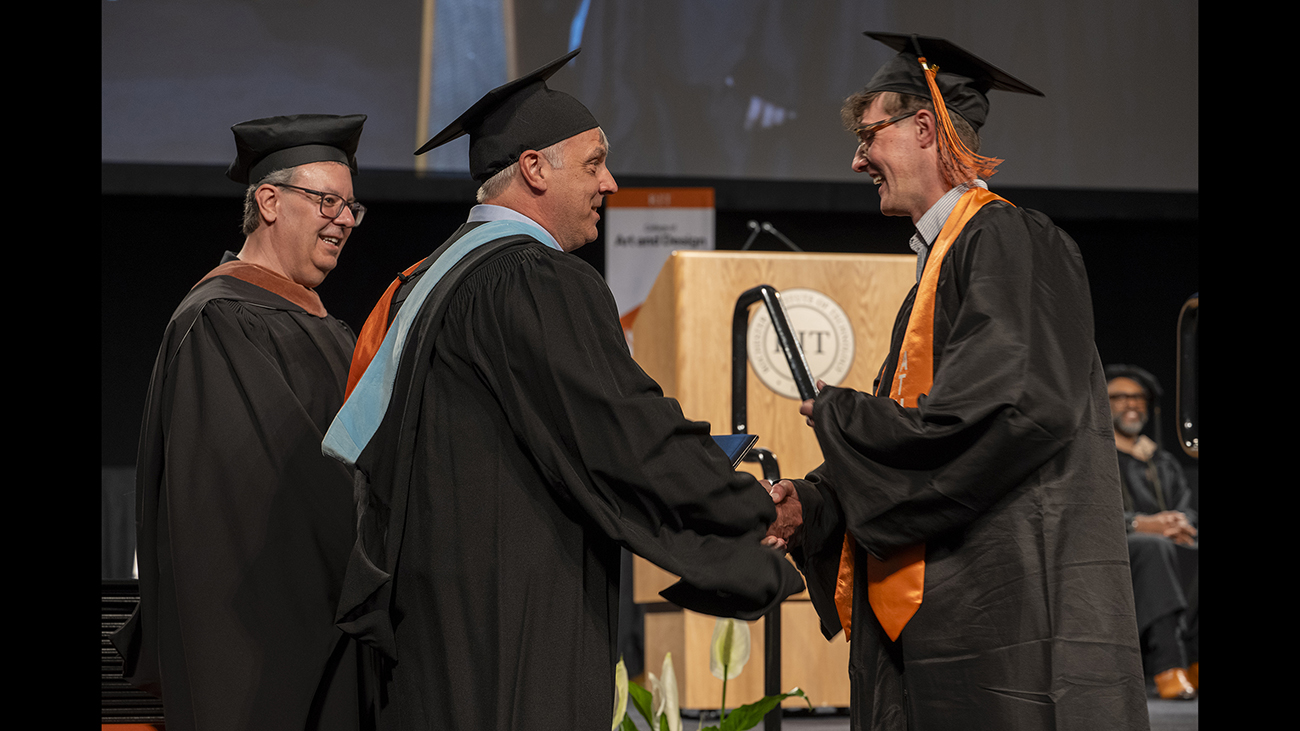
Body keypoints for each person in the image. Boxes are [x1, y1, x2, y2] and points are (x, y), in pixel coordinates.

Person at [321, 49, 804, 730]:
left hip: (436, 620)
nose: (610, 181)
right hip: (515, 616)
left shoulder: (426, 283)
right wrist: (747, 507)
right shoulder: (534, 278)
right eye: (593, 162)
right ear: (533, 167)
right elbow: (624, 430)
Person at [764, 33, 1149, 730]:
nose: (856, 159)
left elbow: (1004, 412)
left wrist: (842, 415)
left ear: (923, 127)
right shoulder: (946, 262)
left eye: (868, 134)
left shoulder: (1008, 241)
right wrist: (814, 505)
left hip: (1006, 620)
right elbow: (930, 434)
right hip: (950, 619)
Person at [111, 114, 372, 731]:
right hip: (265, 638)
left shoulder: (324, 327)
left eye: (352, 207)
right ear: (270, 201)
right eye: (327, 200)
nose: (343, 219)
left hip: (325, 618)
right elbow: (288, 485)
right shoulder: (220, 322)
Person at [1106, 364, 1199, 700]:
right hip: (1113, 549)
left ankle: (1195, 663)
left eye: (1138, 397)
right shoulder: (1094, 456)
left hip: (1162, 544)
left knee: (1184, 548)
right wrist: (1138, 523)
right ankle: (1168, 666)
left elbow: (1186, 504)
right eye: (1119, 397)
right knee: (1153, 547)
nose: (1131, 403)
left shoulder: (1160, 460)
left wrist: (1179, 523)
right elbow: (1088, 512)